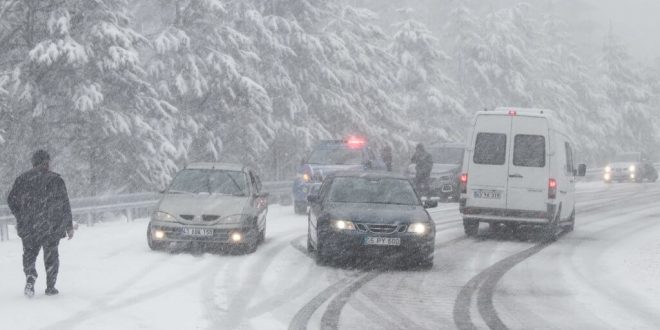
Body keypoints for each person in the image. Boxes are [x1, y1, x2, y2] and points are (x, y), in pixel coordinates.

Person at [7, 150, 74, 297]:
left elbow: (11, 199)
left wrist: (21, 215)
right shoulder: (55, 180)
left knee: (29, 254)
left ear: (33, 162)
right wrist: (68, 225)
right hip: (51, 226)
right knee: (51, 256)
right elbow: (64, 203)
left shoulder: (22, 179)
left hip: (30, 226)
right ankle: (51, 286)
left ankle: (30, 276)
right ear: (47, 162)